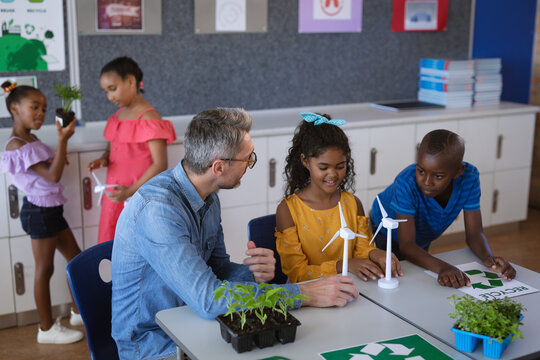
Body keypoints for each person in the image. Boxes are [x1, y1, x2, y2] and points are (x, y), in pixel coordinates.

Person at [111, 108, 360, 360]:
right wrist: (304, 294)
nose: (250, 164)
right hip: (155, 346)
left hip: (198, 323)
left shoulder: (208, 197)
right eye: (247, 159)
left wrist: (253, 274)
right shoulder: (158, 210)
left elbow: (217, 268)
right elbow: (209, 300)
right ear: (219, 167)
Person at [370, 129, 516, 288]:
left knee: (420, 274)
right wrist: (444, 267)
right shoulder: (406, 182)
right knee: (398, 277)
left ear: (458, 171)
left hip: (420, 234)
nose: (426, 182)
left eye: (438, 176)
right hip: (389, 231)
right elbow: (407, 245)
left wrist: (489, 259)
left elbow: (474, 234)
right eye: (420, 171)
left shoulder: (469, 178)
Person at [0, 81, 83, 344]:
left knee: (76, 259)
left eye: (44, 109)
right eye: (34, 107)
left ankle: (79, 311)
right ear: (15, 108)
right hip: (39, 212)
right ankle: (46, 329)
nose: (40, 113)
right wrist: (62, 140)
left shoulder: (31, 139)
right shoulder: (16, 144)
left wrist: (58, 152)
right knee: (44, 269)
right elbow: (53, 175)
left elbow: (48, 168)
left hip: (50, 210)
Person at [275, 112, 401, 283]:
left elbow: (362, 250)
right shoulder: (288, 210)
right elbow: (297, 273)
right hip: (309, 295)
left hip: (351, 288)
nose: (333, 174)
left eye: (340, 166)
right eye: (323, 167)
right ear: (305, 161)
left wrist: (374, 253)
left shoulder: (353, 203)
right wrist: (344, 265)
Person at [88, 56, 176, 243]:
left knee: (137, 246)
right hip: (117, 194)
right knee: (114, 246)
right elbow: (112, 148)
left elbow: (160, 164)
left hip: (137, 195)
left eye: (113, 89)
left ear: (131, 81)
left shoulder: (149, 117)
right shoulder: (118, 116)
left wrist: (129, 192)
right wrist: (103, 159)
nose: (110, 96)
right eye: (106, 91)